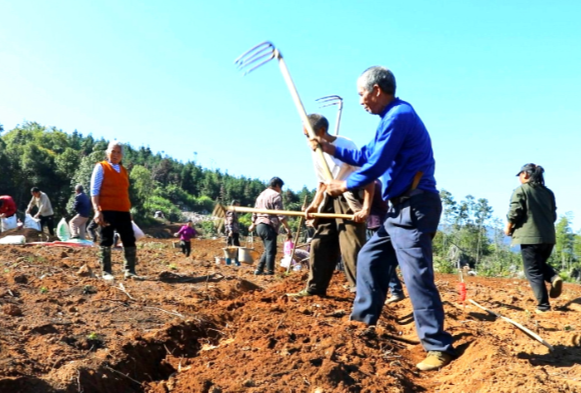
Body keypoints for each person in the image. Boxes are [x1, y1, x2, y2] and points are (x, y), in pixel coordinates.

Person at [316, 66, 454, 371]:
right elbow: (366, 154)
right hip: (398, 209)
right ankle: (362, 324)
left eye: (361, 94)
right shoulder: (387, 120)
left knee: (416, 274)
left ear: (376, 90)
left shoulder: (399, 116)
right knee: (370, 256)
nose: (361, 100)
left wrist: (345, 184)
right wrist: (329, 147)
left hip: (415, 207)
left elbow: (377, 163)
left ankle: (438, 346)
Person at [289, 114, 371, 297]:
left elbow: (367, 177)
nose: (307, 140)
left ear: (321, 131)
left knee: (351, 246)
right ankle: (315, 288)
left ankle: (361, 294)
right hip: (329, 200)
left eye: (308, 135)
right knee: (320, 242)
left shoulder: (346, 145)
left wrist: (365, 207)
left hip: (349, 198)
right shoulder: (315, 151)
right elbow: (322, 183)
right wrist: (313, 205)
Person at [505, 163, 561, 313]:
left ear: (526, 175)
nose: (519, 178)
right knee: (539, 264)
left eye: (520, 175)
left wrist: (509, 227)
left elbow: (515, 212)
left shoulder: (522, 190)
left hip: (530, 238)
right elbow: (553, 215)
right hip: (548, 237)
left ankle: (543, 306)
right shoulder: (548, 193)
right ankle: (554, 277)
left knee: (533, 271)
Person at [90, 140, 139, 280]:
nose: (116, 154)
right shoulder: (101, 167)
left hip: (123, 210)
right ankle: (106, 272)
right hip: (107, 209)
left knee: (129, 239)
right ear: (107, 152)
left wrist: (128, 212)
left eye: (118, 152)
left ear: (122, 155)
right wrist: (97, 210)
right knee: (106, 239)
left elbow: (124, 192)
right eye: (113, 151)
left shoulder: (124, 171)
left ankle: (130, 271)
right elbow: (94, 190)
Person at [367, 180, 405, 304]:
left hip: (377, 224)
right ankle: (394, 290)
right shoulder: (377, 182)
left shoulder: (371, 183)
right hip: (377, 223)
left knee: (380, 260)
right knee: (379, 260)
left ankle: (395, 291)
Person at [249, 177, 291, 275]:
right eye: (280, 187)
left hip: (259, 225)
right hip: (268, 225)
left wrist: (253, 224)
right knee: (271, 250)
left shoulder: (261, 195)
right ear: (277, 185)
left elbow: (255, 211)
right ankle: (270, 272)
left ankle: (259, 270)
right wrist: (287, 228)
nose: (280, 189)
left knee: (268, 249)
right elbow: (279, 213)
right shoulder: (276, 195)